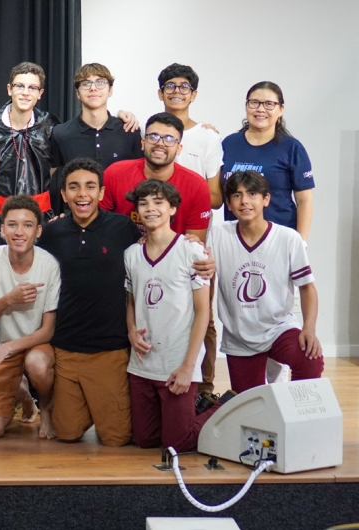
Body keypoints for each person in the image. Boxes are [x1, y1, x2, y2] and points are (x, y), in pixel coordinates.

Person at [0, 158, 215, 445]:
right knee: (67, 433)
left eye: (90, 186)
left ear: (101, 193)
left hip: (110, 350)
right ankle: (74, 405)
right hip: (66, 348)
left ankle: (106, 406)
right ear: (64, 195)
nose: (82, 194)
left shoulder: (123, 228)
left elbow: (153, 249)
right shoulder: (52, 232)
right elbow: (19, 248)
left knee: (117, 438)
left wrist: (200, 253)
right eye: (74, 187)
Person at [123, 179, 218, 452]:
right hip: (142, 363)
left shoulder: (191, 250)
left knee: (178, 443)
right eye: (143, 203)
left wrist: (189, 366)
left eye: (158, 202)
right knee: (145, 440)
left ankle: (221, 406)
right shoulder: (131, 254)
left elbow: (203, 312)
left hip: (177, 363)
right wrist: (131, 330)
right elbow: (131, 301)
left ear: (173, 208)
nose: (150, 208)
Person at [208, 170, 323, 393]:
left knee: (309, 358)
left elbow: (307, 287)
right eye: (237, 195)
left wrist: (309, 328)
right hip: (239, 336)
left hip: (279, 328)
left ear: (266, 199)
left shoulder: (288, 238)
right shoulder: (216, 235)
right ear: (229, 204)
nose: (245, 201)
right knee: (250, 402)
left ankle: (296, 408)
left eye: (252, 194)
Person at [156, 63, 224, 401]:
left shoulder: (207, 137)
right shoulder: (152, 132)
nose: (177, 91)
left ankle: (205, 387)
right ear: (160, 93)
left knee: (201, 314)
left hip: (193, 235)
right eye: (170, 85)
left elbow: (216, 197)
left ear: (194, 95)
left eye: (184, 87)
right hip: (153, 238)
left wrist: (178, 198)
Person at [0, 195, 60, 439]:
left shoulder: (49, 265)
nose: (19, 232)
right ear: (2, 229)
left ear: (38, 231)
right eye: (12, 225)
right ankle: (23, 395)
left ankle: (46, 409)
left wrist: (6, 348)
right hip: (3, 346)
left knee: (36, 364)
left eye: (27, 225)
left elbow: (47, 330)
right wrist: (9, 299)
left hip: (36, 345)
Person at [0, 62, 61, 244]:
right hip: (0, 222)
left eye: (32, 88)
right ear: (9, 89)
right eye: (20, 86)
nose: (25, 92)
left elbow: (57, 164)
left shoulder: (50, 125)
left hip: (40, 219)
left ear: (40, 93)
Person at [216, 82, 314, 242]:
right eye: (254, 103)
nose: (260, 109)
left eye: (269, 104)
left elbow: (304, 200)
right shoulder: (229, 144)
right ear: (246, 106)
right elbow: (218, 193)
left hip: (279, 239)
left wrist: (301, 242)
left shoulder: (291, 148)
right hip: (236, 238)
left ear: (281, 109)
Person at [100, 113, 211, 244]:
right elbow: (98, 226)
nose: (160, 143)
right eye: (153, 137)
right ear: (143, 143)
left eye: (169, 139)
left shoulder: (197, 186)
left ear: (179, 148)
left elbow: (194, 245)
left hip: (174, 254)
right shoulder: (115, 173)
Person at [49, 63, 142, 213]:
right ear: (77, 93)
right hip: (76, 217)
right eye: (86, 83)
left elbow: (142, 175)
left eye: (100, 82)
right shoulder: (61, 133)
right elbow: (46, 176)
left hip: (121, 218)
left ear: (110, 90)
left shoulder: (129, 130)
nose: (93, 88)